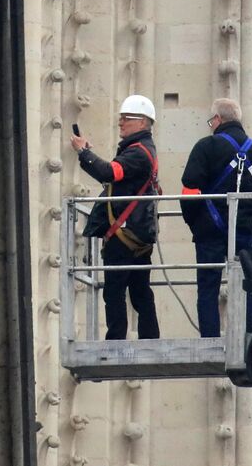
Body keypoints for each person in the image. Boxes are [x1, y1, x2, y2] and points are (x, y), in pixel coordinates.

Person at [180, 98, 252, 337]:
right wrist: (251, 214)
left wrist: (197, 223)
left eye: (210, 121)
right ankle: (251, 336)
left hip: (210, 232)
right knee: (251, 283)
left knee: (208, 286)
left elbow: (189, 192)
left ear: (218, 119)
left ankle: (209, 337)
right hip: (247, 231)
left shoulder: (205, 147)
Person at [71, 95, 160, 340]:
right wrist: (87, 155)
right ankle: (149, 338)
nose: (120, 123)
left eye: (126, 119)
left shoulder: (138, 153)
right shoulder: (140, 151)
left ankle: (116, 341)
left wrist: (84, 152)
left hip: (125, 235)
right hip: (135, 232)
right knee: (140, 290)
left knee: (115, 290)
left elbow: (109, 172)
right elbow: (111, 178)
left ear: (142, 122)